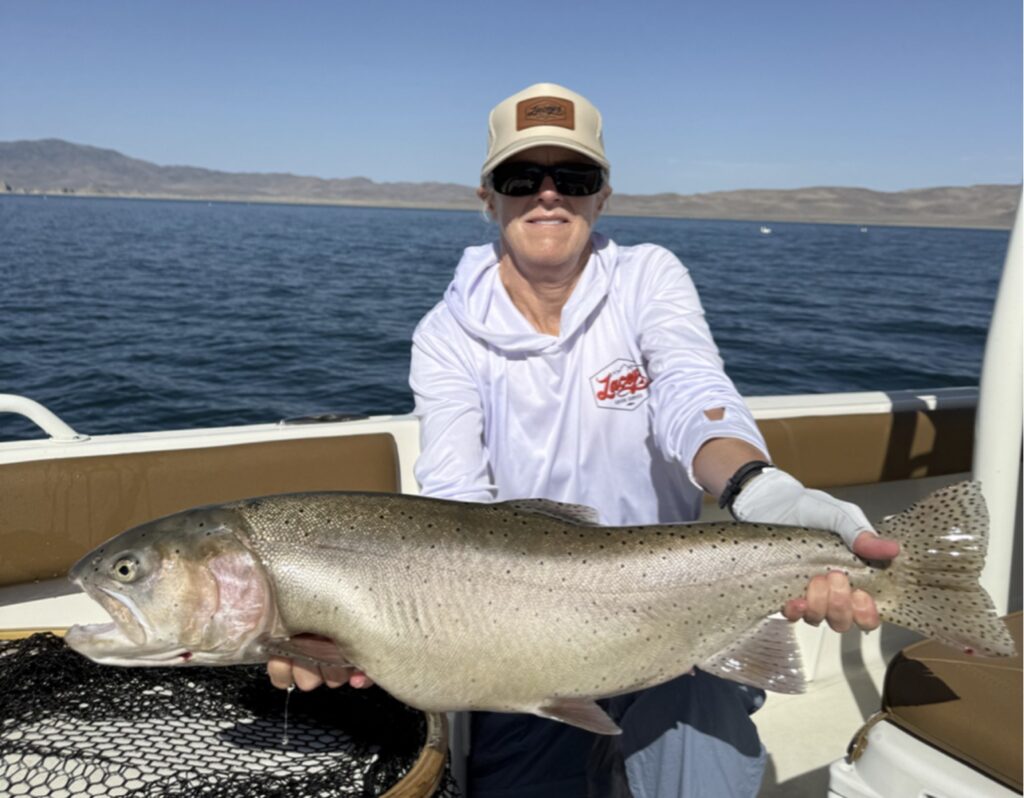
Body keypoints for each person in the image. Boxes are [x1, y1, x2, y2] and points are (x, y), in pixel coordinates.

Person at [269, 83, 900, 798]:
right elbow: (452, 499)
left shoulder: (649, 279)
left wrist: (764, 490)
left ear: (602, 196)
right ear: (488, 197)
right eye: (520, 178)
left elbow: (694, 399)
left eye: (573, 178)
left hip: (675, 614)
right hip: (517, 637)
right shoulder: (444, 336)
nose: (547, 197)